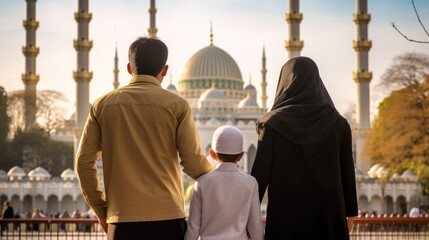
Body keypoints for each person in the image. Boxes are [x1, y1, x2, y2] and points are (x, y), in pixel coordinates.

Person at [75, 36, 213, 240]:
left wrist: (101, 209)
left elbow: (83, 163)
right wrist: (224, 174)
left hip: (121, 219)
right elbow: (193, 163)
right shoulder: (177, 105)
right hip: (168, 219)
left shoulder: (102, 105)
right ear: (164, 71)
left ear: (129, 68)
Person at [251, 56, 358, 239]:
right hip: (329, 216)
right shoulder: (339, 124)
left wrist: (248, 213)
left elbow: (260, 176)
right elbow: (347, 172)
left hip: (286, 216)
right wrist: (351, 212)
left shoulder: (270, 124)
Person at [186, 125, 264, 240]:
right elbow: (255, 226)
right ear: (241, 156)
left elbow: (193, 228)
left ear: (212, 154)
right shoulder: (250, 183)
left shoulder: (202, 182)